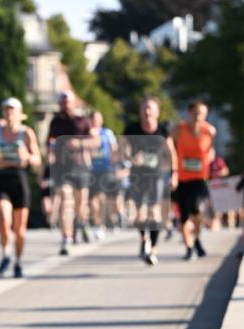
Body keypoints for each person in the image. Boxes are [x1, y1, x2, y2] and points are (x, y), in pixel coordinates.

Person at [0, 97, 41, 277]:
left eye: (12, 110)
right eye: (6, 109)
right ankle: (5, 254)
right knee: (4, 220)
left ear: (20, 113)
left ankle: (18, 261)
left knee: (19, 229)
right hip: (1, 177)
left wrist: (27, 156)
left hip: (19, 178)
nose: (9, 113)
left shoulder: (26, 133)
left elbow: (37, 159)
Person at [120, 98, 178, 266]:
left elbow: (171, 153)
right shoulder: (132, 129)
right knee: (139, 215)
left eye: (150, 109)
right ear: (140, 112)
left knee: (154, 212)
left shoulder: (163, 130)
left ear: (157, 112)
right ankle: (143, 238)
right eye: (144, 108)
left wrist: (174, 174)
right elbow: (121, 151)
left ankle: (153, 249)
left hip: (156, 176)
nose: (147, 112)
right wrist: (132, 159)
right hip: (137, 177)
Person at [47, 91, 95, 255]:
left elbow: (95, 140)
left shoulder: (83, 120)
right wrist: (49, 157)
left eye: (68, 101)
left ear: (73, 103)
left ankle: (83, 222)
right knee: (66, 202)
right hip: (62, 168)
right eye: (63, 101)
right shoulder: (55, 122)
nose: (65, 104)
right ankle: (66, 238)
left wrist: (79, 144)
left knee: (80, 205)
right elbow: (49, 142)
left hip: (80, 167)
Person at [172, 100, 215, 259]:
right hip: (182, 178)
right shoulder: (179, 130)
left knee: (197, 210)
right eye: (196, 113)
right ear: (189, 113)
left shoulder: (209, 131)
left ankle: (197, 239)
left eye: (202, 114)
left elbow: (211, 150)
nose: (198, 117)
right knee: (183, 215)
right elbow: (170, 148)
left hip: (199, 177)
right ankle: (189, 247)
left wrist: (210, 158)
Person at [88, 110, 119, 238]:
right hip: (90, 169)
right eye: (93, 119)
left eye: (97, 119)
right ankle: (97, 223)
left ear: (101, 120)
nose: (95, 121)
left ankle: (101, 224)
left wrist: (115, 163)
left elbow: (114, 148)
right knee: (92, 200)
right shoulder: (86, 133)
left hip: (105, 169)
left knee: (101, 196)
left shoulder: (107, 133)